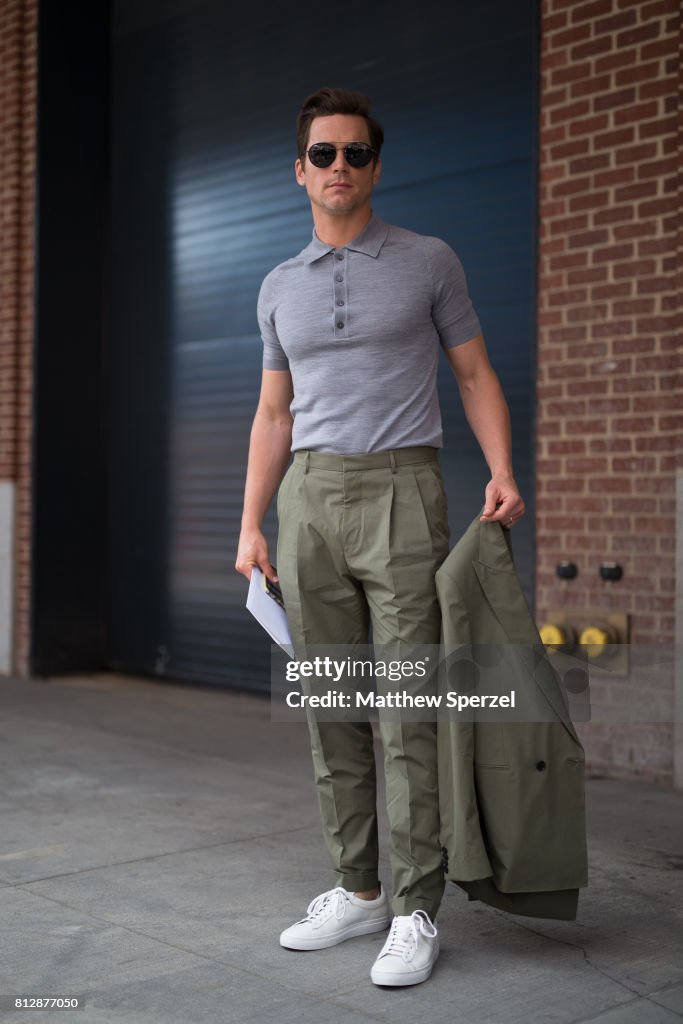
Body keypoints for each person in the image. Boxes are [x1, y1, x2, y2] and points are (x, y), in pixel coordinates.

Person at [235, 86, 524, 987]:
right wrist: (251, 522)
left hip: (404, 488)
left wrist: (502, 468)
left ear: (375, 167)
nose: (338, 169)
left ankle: (415, 907)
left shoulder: (429, 262)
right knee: (331, 700)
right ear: (300, 170)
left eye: (355, 154)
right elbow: (272, 412)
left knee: (405, 704)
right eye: (323, 154)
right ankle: (357, 889)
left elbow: (473, 373)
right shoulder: (277, 285)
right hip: (310, 498)